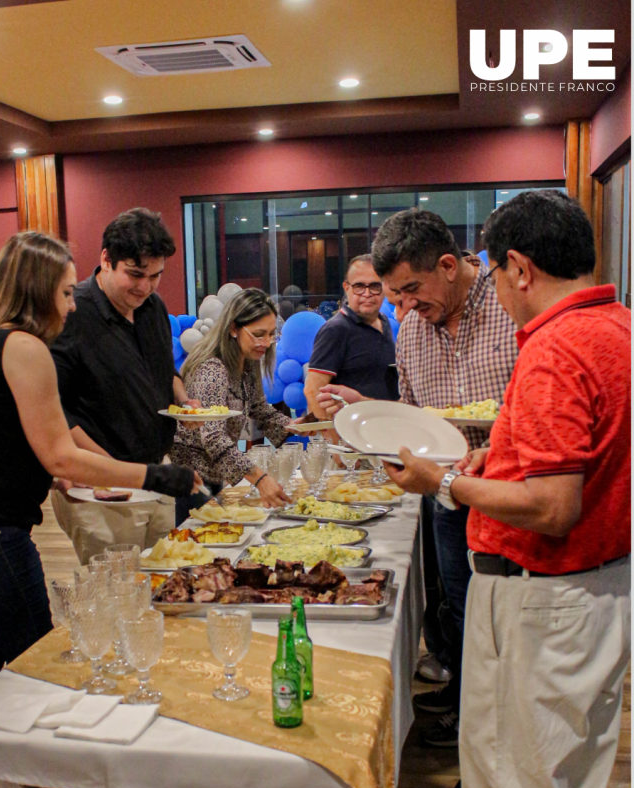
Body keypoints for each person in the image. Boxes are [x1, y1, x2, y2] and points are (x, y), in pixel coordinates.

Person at [382, 190, 630, 788]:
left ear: (518, 267)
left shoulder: (554, 346)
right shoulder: (617, 326)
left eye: (499, 271)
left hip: (538, 595)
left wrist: (447, 485)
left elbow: (554, 506)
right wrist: (498, 459)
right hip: (600, 589)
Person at [0, 232, 200, 722]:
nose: (71, 306)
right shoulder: (22, 347)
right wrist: (157, 476)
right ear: (37, 289)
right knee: (42, 666)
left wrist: (51, 476)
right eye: (66, 292)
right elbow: (61, 455)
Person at [318, 210, 519, 749]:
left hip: (510, 495)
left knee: (501, 619)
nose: (403, 308)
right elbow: (411, 411)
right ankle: (462, 705)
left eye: (411, 290)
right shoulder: (410, 330)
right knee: (457, 603)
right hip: (443, 492)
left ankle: (490, 728)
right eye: (394, 297)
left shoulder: (510, 308)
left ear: (449, 266)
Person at [50, 208, 201, 563]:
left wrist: (183, 401)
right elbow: (57, 412)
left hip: (153, 472)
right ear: (106, 259)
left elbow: (164, 370)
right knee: (119, 594)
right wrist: (110, 470)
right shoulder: (72, 314)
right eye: (135, 274)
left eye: (155, 276)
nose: (145, 286)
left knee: (167, 580)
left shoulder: (152, 307)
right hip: (100, 488)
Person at [170, 289, 294, 522]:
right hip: (191, 481)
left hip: (215, 476)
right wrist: (259, 478)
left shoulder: (246, 362)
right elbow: (214, 437)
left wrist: (295, 427)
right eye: (259, 334)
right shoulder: (212, 369)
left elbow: (259, 409)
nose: (266, 343)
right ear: (233, 328)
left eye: (270, 335)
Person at [304, 253, 399, 419]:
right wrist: (334, 440)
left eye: (375, 286)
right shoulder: (335, 330)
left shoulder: (384, 322)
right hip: (350, 438)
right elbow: (313, 391)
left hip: (386, 429)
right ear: (346, 288)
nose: (367, 293)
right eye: (359, 286)